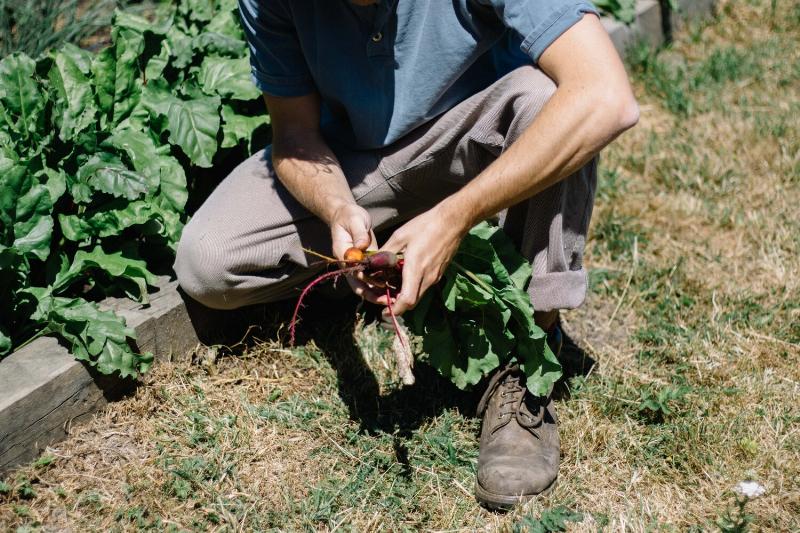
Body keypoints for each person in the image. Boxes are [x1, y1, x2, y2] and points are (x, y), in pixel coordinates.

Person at [174, 0, 638, 509]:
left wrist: (453, 218)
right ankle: (388, 255)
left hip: (474, 138)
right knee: (211, 259)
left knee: (548, 101)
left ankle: (525, 358)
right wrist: (337, 211)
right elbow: (295, 134)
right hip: (352, 163)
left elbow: (606, 97)